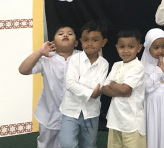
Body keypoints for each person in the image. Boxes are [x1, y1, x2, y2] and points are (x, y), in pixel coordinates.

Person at [18, 24, 79, 148]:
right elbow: (23, 70)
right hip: (48, 113)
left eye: (70, 33)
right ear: (53, 43)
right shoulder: (47, 59)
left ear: (76, 42)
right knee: (46, 144)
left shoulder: (81, 58)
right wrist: (40, 52)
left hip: (73, 115)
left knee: (69, 144)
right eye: (60, 34)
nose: (65, 35)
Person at [59, 20, 109, 148]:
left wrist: (80, 81)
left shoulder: (104, 64)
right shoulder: (74, 59)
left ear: (103, 42)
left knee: (89, 145)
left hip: (91, 112)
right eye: (85, 40)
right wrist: (90, 91)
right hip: (70, 110)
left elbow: (99, 87)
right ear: (81, 41)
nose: (89, 43)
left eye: (95, 40)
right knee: (67, 144)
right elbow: (70, 84)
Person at [141, 28, 164, 148]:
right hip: (151, 104)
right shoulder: (143, 65)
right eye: (156, 47)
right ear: (148, 47)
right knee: (153, 130)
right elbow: (146, 88)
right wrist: (158, 72)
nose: (161, 51)